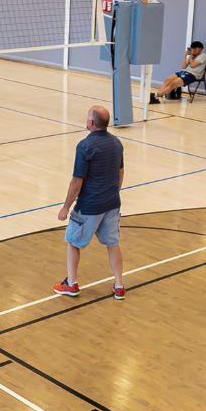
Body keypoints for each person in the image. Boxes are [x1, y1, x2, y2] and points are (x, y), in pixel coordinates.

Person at [54, 105, 124, 300]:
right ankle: (119, 286)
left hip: (89, 206)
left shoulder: (85, 146)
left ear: (91, 122)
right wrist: (112, 194)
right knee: (113, 244)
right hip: (112, 204)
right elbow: (121, 173)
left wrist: (66, 207)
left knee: (72, 241)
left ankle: (71, 284)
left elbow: (77, 181)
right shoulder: (117, 143)